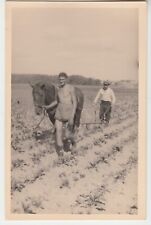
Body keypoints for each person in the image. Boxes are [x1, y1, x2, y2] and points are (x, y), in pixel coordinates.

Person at [43, 72, 77, 157]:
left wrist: (72, 116)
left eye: (63, 79)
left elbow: (75, 102)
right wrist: (47, 107)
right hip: (59, 113)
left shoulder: (70, 88)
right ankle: (60, 151)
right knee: (58, 132)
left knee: (68, 135)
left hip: (68, 112)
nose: (61, 81)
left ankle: (74, 143)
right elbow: (57, 102)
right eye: (60, 79)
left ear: (66, 79)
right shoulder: (58, 89)